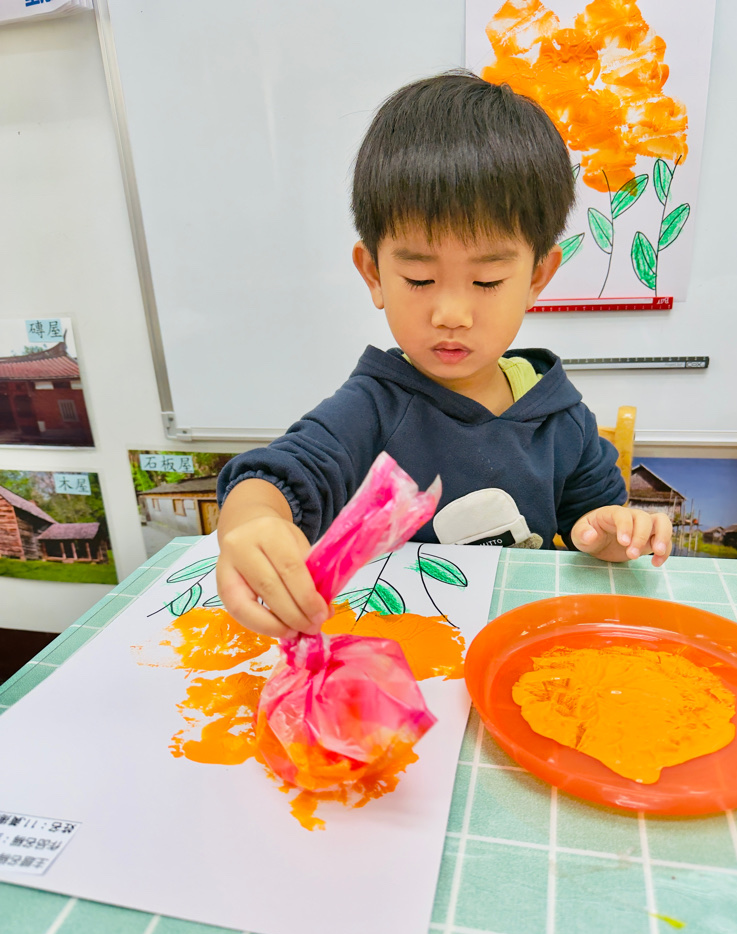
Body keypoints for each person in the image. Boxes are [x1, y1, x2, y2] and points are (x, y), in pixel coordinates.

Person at [215, 71, 672, 639]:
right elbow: (281, 475)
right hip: (409, 652)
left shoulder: (559, 415)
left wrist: (612, 535)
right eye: (419, 278)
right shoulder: (374, 407)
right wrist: (252, 520)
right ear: (373, 273)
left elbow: (595, 523)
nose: (451, 313)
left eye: (487, 281)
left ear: (537, 277)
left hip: (520, 644)